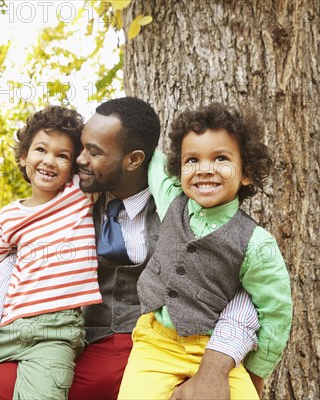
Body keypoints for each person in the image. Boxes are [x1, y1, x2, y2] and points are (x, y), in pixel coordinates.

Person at [0, 97, 261, 400]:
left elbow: (244, 290)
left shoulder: (186, 208)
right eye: (80, 148)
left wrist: (214, 368)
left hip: (157, 351)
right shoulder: (70, 201)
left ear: (134, 161)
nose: (78, 159)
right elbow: (13, 263)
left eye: (93, 151)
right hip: (79, 348)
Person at [117, 102, 293, 399]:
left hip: (215, 347)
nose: (204, 170)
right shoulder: (171, 199)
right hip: (156, 343)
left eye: (221, 158)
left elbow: (275, 311)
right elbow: (153, 158)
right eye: (192, 160)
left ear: (247, 172)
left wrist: (257, 372)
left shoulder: (256, 242)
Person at [0, 105, 103, 400]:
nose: (50, 161)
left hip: (56, 332)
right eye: (41, 150)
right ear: (24, 156)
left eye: (62, 155)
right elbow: (2, 272)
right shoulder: (8, 216)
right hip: (7, 327)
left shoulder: (79, 195)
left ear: (73, 166)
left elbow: (108, 156)